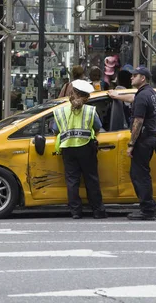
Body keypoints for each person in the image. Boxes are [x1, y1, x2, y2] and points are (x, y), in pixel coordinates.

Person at [109, 66, 156, 220]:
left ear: (143, 78)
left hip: (143, 141)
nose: (131, 78)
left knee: (140, 176)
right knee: (141, 174)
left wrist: (131, 144)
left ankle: (148, 210)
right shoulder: (150, 93)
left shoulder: (143, 96)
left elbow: (138, 121)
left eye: (135, 75)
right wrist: (117, 96)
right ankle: (148, 208)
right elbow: (133, 98)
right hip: (151, 138)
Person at [52, 79, 107, 219]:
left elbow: (54, 129)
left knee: (72, 181)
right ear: (86, 97)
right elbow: (97, 127)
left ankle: (76, 212)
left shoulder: (60, 111)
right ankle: (98, 211)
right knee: (91, 179)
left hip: (68, 148)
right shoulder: (90, 111)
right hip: (86, 147)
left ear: (72, 93)